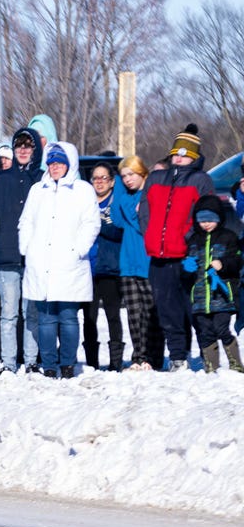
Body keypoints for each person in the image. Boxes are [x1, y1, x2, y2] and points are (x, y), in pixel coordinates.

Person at [19, 142, 100, 379]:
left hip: (70, 264)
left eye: (59, 163)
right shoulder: (38, 189)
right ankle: (50, 364)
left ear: (69, 164)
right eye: (51, 163)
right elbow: (26, 221)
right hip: (41, 262)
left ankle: (67, 363)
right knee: (45, 318)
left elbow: (91, 222)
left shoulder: (83, 189)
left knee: (68, 317)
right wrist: (27, 248)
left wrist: (78, 249)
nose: (55, 167)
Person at [138, 124, 215, 371]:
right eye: (176, 153)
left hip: (185, 256)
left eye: (185, 154)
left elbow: (204, 214)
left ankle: (208, 356)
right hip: (158, 256)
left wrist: (188, 241)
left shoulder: (200, 180)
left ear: (193, 157)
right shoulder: (156, 177)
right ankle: (178, 356)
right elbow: (145, 211)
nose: (179, 157)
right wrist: (150, 234)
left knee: (194, 309)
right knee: (167, 310)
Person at [0, 127, 43, 374]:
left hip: (34, 258)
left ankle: (31, 361)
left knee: (32, 313)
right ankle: (8, 362)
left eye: (28, 146)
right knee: (8, 314)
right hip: (7, 256)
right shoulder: (0, 180)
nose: (23, 150)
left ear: (35, 149)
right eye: (19, 146)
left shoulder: (42, 180)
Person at [112, 155, 165, 370]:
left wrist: (128, 204)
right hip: (127, 262)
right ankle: (139, 356)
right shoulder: (125, 196)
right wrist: (117, 189)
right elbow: (117, 219)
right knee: (134, 315)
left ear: (142, 173)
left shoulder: (150, 196)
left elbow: (138, 223)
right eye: (123, 176)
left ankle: (153, 357)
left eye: (131, 175)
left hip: (148, 261)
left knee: (151, 312)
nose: (127, 180)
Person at [181, 195, 244, 373]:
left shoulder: (228, 237)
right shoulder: (193, 240)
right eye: (202, 220)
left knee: (221, 328)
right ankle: (211, 365)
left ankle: (235, 363)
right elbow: (185, 272)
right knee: (205, 331)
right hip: (200, 296)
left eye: (210, 219)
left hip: (222, 296)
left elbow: (237, 261)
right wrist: (186, 268)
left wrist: (222, 264)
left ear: (219, 218)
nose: (206, 223)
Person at [82, 163, 125, 371]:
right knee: (89, 317)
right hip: (87, 269)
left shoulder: (116, 202)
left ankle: (116, 362)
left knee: (113, 315)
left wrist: (98, 224)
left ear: (112, 181)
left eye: (103, 178)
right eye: (95, 178)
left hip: (110, 268)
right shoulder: (85, 202)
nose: (99, 182)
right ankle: (91, 362)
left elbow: (119, 231)